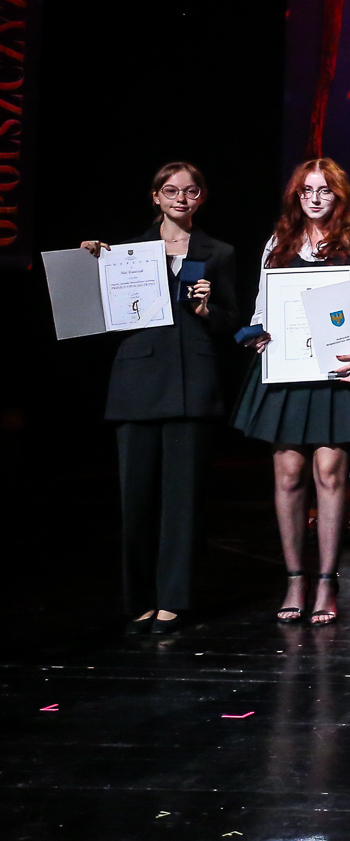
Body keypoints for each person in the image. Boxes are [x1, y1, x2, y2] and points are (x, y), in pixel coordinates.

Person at [232, 158, 350, 627]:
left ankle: (326, 580)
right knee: (287, 474)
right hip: (288, 369)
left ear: (339, 195)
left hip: (339, 369)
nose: (315, 199)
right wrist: (257, 334)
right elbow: (263, 310)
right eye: (307, 191)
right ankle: (294, 578)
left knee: (329, 472)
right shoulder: (278, 243)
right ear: (296, 196)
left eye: (324, 190)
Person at [82, 163, 238, 633]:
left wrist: (208, 310)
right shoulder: (123, 252)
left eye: (190, 191)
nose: (180, 199)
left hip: (193, 382)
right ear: (156, 197)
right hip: (138, 383)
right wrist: (88, 265)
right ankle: (139, 598)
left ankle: (173, 598)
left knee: (183, 501)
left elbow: (231, 320)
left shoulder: (219, 252)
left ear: (201, 196)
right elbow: (95, 313)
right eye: (170, 191)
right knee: (137, 500)